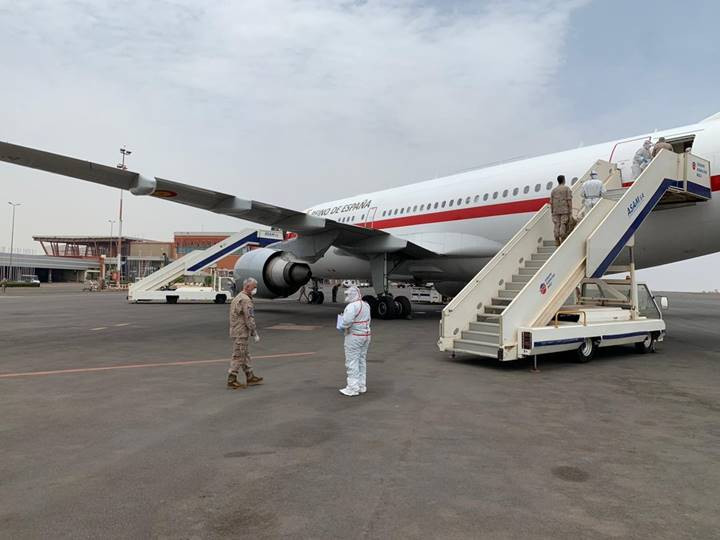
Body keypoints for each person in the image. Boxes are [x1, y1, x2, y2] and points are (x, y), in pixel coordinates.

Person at [227, 277, 264, 389]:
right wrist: (254, 332)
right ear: (247, 287)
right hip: (241, 332)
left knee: (245, 354)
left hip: (236, 330)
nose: (255, 290)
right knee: (239, 356)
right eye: (254, 287)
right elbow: (249, 318)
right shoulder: (246, 300)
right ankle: (231, 379)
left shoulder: (238, 297)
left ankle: (250, 376)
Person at [338, 285, 371, 397]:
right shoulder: (366, 305)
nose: (347, 296)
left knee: (352, 361)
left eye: (348, 294)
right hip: (366, 335)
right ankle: (361, 385)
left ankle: (352, 388)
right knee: (361, 360)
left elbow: (347, 322)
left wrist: (341, 325)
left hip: (354, 336)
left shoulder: (351, 306)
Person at [550, 175, 573, 245]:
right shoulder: (566, 189)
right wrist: (570, 210)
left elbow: (551, 202)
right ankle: (562, 238)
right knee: (563, 224)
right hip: (564, 210)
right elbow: (569, 200)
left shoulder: (553, 190)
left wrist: (552, 211)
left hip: (555, 210)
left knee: (556, 224)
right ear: (563, 180)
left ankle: (557, 240)